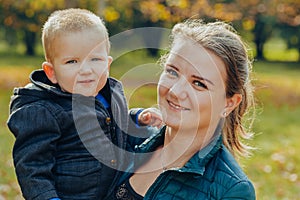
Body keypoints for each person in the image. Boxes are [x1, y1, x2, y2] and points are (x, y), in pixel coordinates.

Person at [6, 8, 162, 200]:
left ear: (107, 64)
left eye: (95, 59)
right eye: (72, 61)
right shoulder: (43, 111)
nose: (86, 70)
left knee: (158, 143)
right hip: (72, 195)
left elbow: (114, 124)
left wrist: (137, 117)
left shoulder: (108, 94)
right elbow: (32, 167)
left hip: (113, 189)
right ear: (51, 72)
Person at [111, 19, 256, 199]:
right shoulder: (127, 140)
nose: (175, 91)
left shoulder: (232, 191)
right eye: (172, 72)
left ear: (229, 103)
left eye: (198, 84)